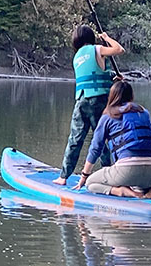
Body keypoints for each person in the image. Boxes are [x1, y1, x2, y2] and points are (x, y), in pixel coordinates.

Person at [53, 25, 125, 185]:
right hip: (98, 101)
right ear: (91, 38)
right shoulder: (97, 49)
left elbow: (94, 73)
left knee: (75, 139)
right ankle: (110, 175)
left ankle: (63, 177)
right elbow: (119, 49)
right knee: (104, 138)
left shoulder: (77, 56)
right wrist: (106, 38)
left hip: (81, 101)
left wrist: (113, 76)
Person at [74, 80, 151, 198]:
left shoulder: (108, 116)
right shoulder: (144, 112)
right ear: (131, 96)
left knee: (91, 183)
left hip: (127, 171)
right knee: (141, 184)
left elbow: (95, 149)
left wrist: (84, 176)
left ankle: (122, 192)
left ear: (112, 96)